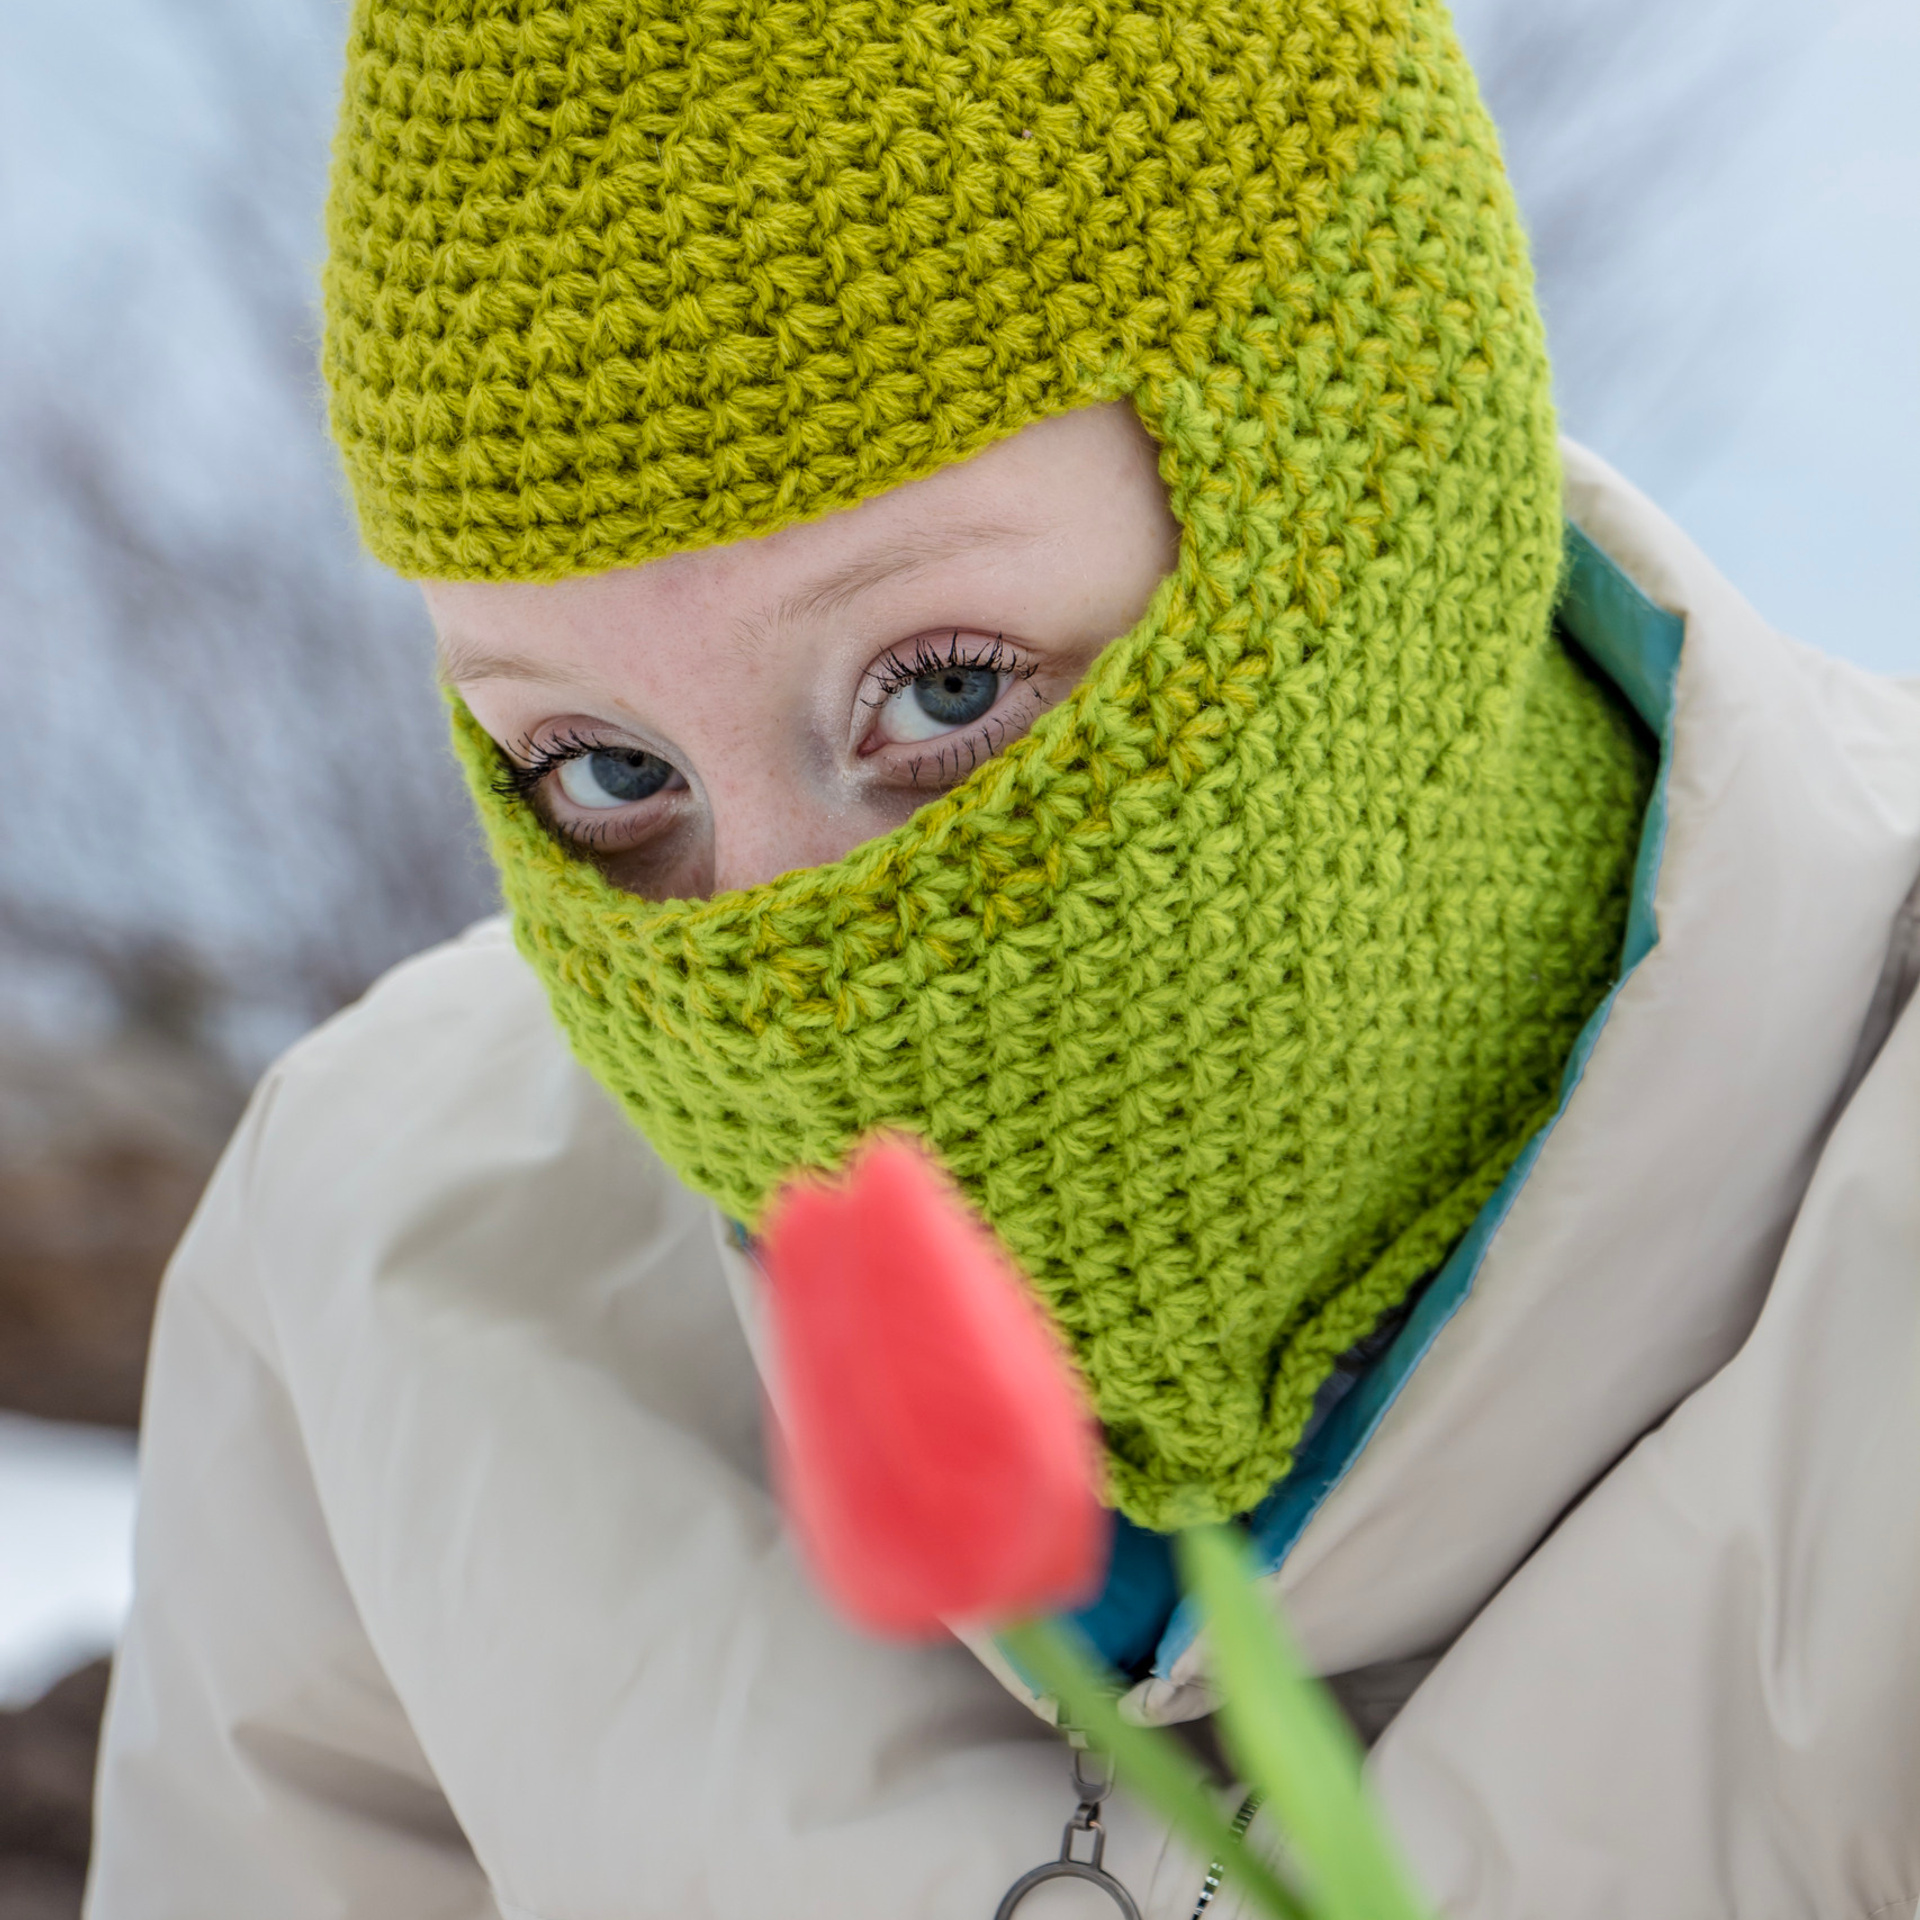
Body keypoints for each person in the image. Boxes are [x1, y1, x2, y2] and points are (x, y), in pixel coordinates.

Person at [86, 1, 1920, 1915]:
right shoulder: (383, 1252)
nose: (796, 989)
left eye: (944, 689)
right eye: (611, 772)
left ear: (1372, 483)